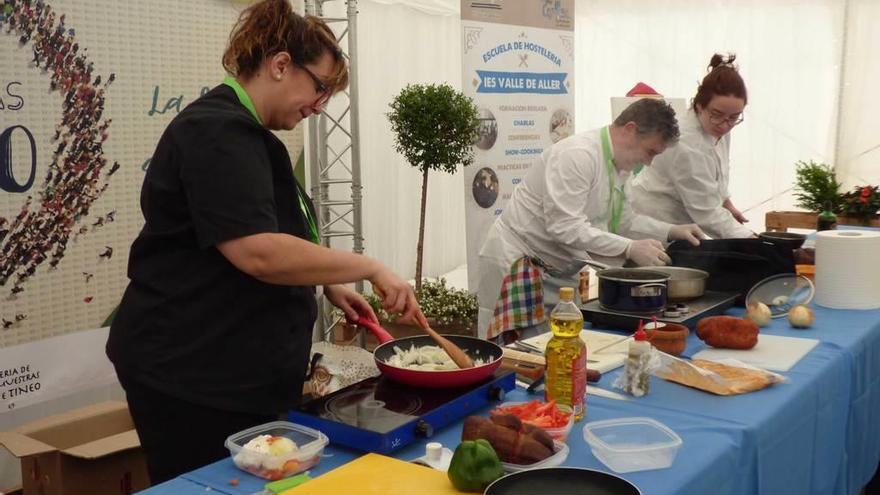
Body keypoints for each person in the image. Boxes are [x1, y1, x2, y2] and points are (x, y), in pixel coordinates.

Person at [106, 0, 420, 484]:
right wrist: (368, 265)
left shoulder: (250, 136)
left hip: (233, 372)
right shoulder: (216, 132)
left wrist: (329, 284)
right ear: (280, 65)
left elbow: (280, 235)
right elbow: (257, 250)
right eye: (320, 88)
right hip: (192, 376)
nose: (319, 106)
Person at [477, 98, 704, 341]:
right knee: (515, 355)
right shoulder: (577, 156)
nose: (649, 162)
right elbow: (564, 227)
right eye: (650, 151)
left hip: (559, 270)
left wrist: (672, 230)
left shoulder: (619, 166)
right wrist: (629, 247)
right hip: (519, 264)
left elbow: (625, 221)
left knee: (560, 348)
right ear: (630, 129)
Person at [631, 54, 754, 239]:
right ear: (698, 106)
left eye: (734, 117)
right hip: (654, 222)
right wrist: (753, 240)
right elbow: (708, 214)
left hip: (683, 223)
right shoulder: (685, 143)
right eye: (717, 114)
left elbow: (718, 174)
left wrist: (726, 202)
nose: (725, 125)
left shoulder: (717, 126)